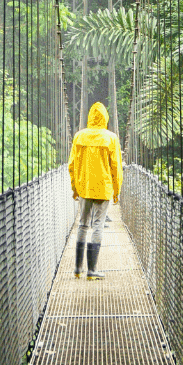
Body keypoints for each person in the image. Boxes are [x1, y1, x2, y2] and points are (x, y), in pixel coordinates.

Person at [67, 102, 123, 280]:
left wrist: (75, 187)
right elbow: (116, 167)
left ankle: (77, 269)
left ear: (89, 116)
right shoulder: (111, 138)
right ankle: (91, 271)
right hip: (104, 188)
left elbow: (72, 165)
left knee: (83, 225)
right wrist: (116, 190)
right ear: (105, 117)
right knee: (97, 226)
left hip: (84, 187)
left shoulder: (79, 136)